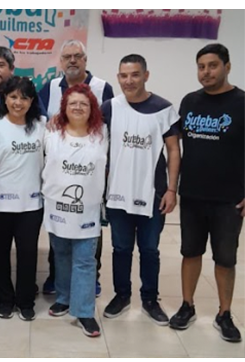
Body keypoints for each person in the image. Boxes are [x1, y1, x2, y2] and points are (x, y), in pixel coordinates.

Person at [173, 43, 243, 342]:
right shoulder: (190, 101)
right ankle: (187, 306)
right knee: (190, 252)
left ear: (227, 66)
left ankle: (224, 313)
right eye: (201, 67)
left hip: (230, 199)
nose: (206, 72)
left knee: (225, 258)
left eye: (212, 65)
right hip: (192, 195)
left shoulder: (241, 103)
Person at [103, 55, 180, 325]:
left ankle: (149, 299)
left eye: (135, 74)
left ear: (146, 75)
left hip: (153, 196)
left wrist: (172, 189)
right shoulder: (109, 107)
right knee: (120, 249)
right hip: (117, 196)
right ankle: (121, 295)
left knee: (149, 250)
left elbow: (173, 150)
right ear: (118, 77)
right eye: (123, 75)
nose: (129, 81)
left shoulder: (164, 108)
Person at [42, 84, 110, 337]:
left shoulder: (102, 133)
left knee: (84, 260)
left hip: (87, 211)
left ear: (92, 107)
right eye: (72, 103)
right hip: (57, 208)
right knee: (61, 255)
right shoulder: (50, 133)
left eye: (83, 103)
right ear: (64, 108)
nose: (78, 107)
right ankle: (64, 297)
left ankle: (84, 312)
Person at [0, 76, 47, 321]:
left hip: (31, 203)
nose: (18, 102)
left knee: (28, 253)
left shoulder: (42, 124)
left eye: (24, 97)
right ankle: (5, 299)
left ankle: (26, 301)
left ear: (32, 101)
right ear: (4, 98)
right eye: (12, 97)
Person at [39, 40, 117, 119]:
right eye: (67, 57)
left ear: (85, 60)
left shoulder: (102, 88)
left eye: (77, 56)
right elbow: (40, 119)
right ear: (61, 61)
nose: (72, 60)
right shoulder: (50, 87)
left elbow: (110, 122)